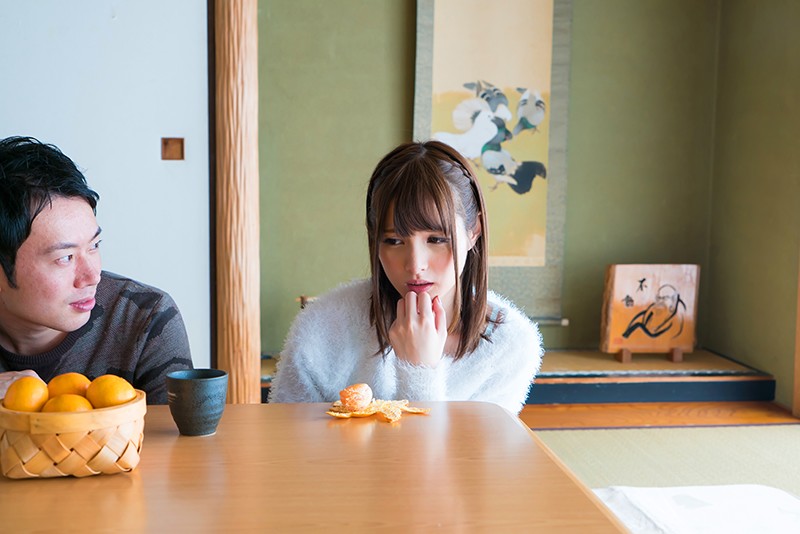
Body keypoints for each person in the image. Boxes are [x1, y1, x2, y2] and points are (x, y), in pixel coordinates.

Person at [269, 140, 542, 415]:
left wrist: (419, 371)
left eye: (436, 239)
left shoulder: (509, 344)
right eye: (394, 241)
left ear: (474, 231)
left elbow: (474, 446)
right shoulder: (323, 327)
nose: (415, 265)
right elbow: (282, 435)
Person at [0, 136, 193, 404]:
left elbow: (174, 432)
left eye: (94, 246)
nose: (92, 277)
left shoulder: (145, 318)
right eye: (65, 258)